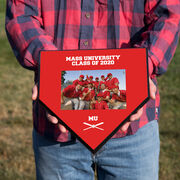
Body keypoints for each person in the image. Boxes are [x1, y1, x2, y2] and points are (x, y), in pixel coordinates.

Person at [5, 0, 180, 179]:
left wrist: (144, 65)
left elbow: (168, 15)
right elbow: (22, 14)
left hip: (133, 125)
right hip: (58, 128)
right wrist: (50, 68)